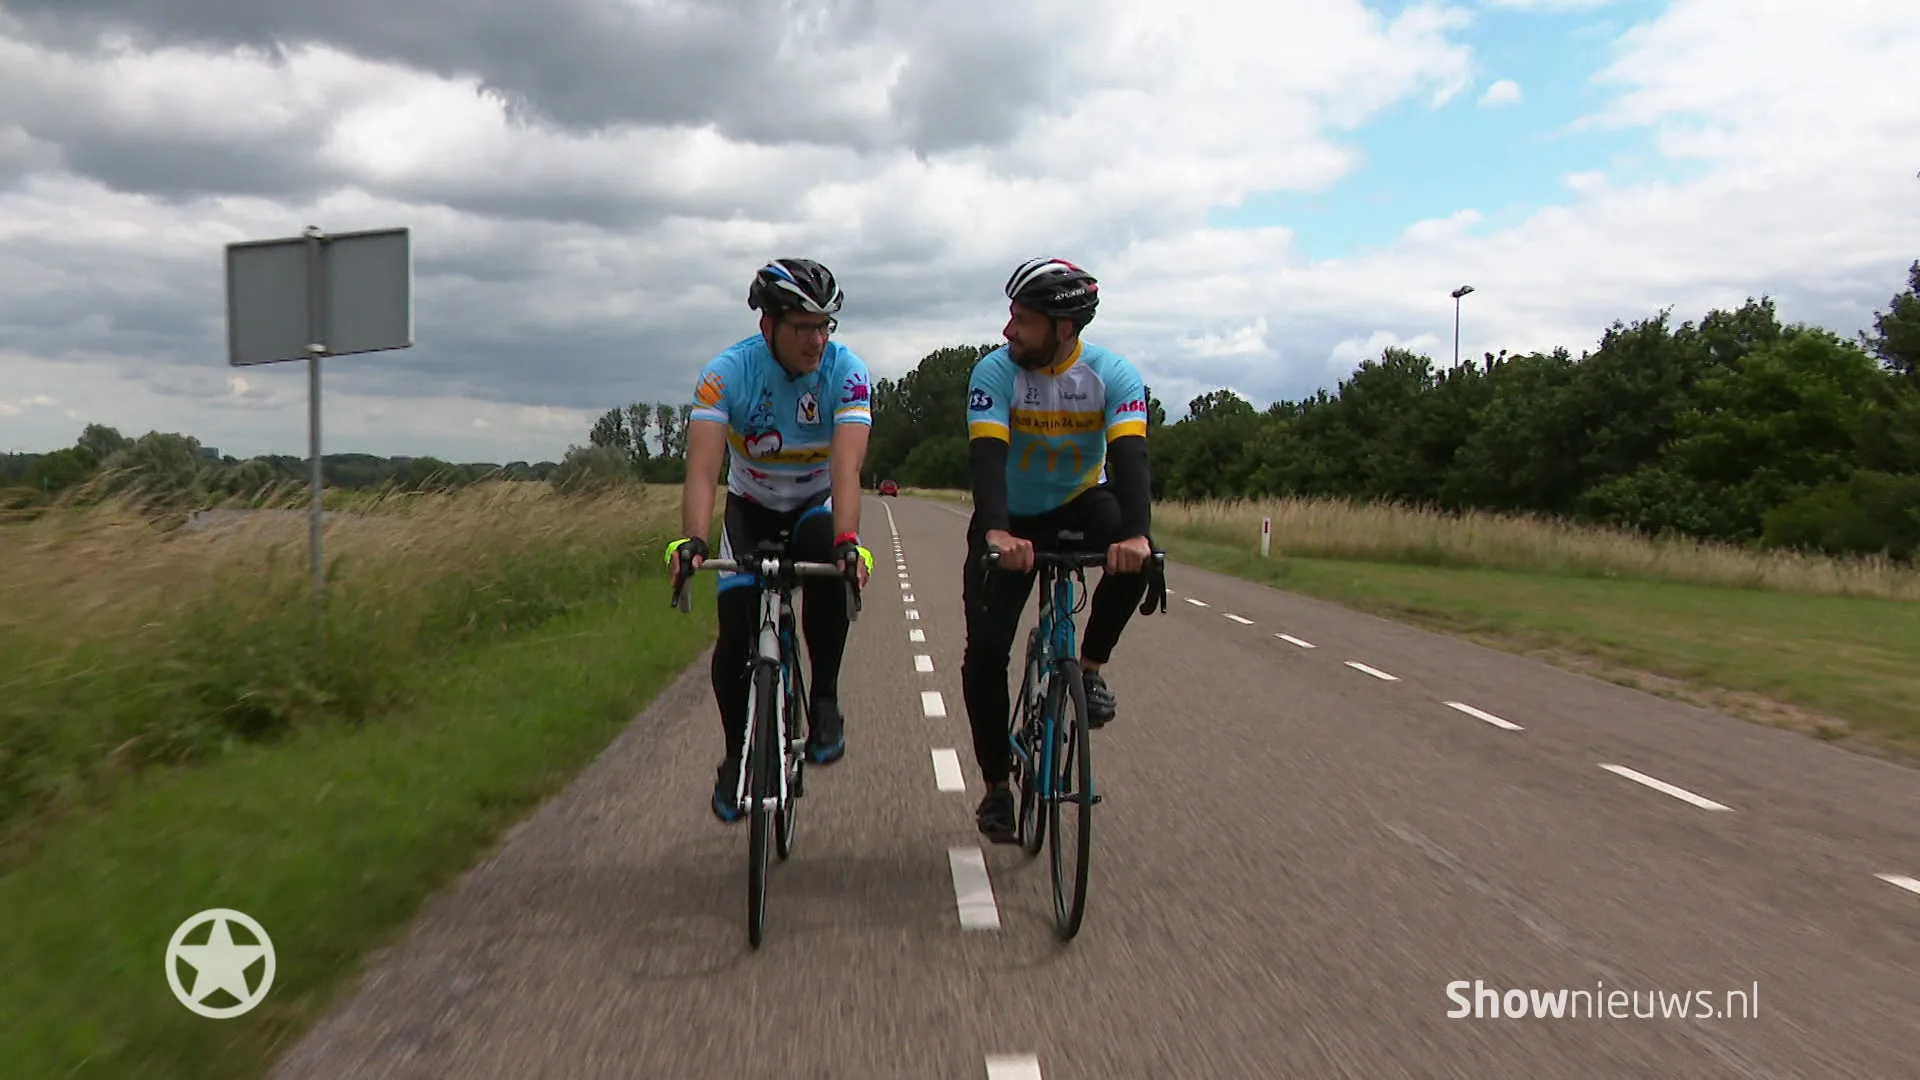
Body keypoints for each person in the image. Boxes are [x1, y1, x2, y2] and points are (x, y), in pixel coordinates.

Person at [960, 256, 1159, 844]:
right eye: (1010, 316)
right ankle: (998, 786)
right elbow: (987, 460)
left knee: (1140, 551)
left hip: (1078, 502)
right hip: (1011, 513)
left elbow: (1131, 462)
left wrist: (1136, 536)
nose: (1008, 330)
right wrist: (997, 531)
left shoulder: (1113, 375)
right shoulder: (994, 373)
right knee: (986, 653)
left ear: (1063, 327)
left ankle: (1090, 667)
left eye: (1022, 319)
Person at [667, 258, 874, 824]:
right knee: (734, 637)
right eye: (803, 326)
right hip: (751, 511)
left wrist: (849, 541)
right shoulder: (728, 373)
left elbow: (847, 468)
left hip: (814, 506)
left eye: (825, 325)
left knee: (827, 552)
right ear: (768, 326)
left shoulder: (847, 372)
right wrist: (692, 540)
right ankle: (736, 757)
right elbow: (704, 471)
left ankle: (825, 699)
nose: (817, 339)